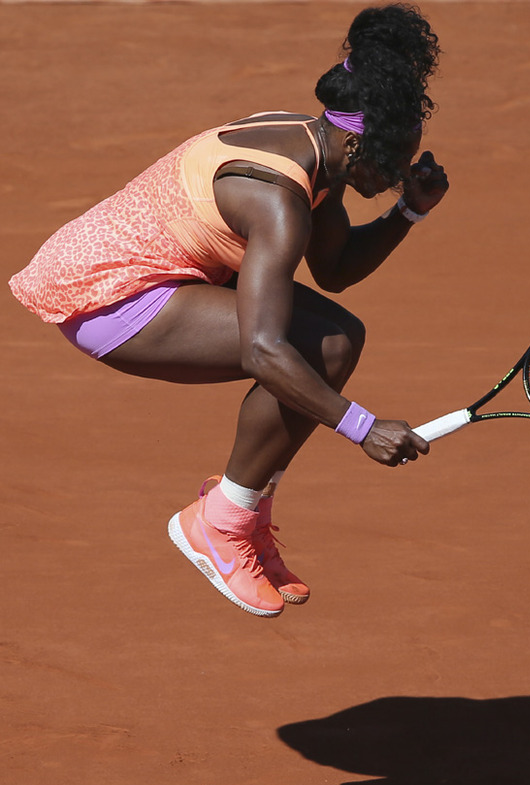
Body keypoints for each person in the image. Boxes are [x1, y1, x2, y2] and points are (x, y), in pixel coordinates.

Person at [8, 3, 447, 619]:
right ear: (355, 140)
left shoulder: (316, 146)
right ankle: (219, 524)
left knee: (337, 337)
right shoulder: (278, 200)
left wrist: (410, 212)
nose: (401, 175)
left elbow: (336, 270)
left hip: (151, 272)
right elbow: (262, 350)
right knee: (314, 348)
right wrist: (362, 428)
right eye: (395, 164)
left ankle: (239, 515)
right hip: (112, 297)